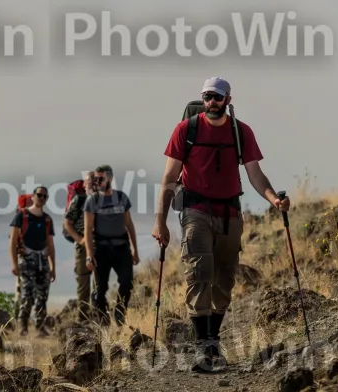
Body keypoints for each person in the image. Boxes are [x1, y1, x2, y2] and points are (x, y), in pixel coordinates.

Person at [151, 77, 291, 372]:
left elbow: (255, 175)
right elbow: (168, 178)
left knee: (225, 280)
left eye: (217, 97)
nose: (211, 102)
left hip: (230, 213)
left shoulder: (241, 132)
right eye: (207, 97)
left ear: (228, 99)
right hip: (195, 211)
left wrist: (273, 200)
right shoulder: (185, 130)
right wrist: (160, 222)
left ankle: (213, 339)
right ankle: (203, 348)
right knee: (199, 273)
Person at [83, 165, 140, 328]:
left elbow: (129, 224)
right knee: (100, 289)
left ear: (109, 178)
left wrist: (135, 249)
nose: (97, 182)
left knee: (127, 282)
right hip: (101, 250)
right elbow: (87, 229)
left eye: (101, 178)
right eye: (95, 179)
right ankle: (103, 320)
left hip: (122, 248)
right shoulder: (92, 201)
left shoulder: (121, 198)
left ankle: (120, 312)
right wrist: (89, 254)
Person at [9, 186, 56, 337]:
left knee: (43, 294)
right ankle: (23, 326)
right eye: (39, 195)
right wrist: (14, 263)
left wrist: (53, 267)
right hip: (26, 259)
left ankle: (40, 326)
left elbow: (50, 244)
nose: (41, 198)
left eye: (44, 196)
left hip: (42, 259)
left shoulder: (47, 219)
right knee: (27, 294)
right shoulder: (22, 216)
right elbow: (12, 241)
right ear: (33, 197)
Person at [63, 171, 95, 323]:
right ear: (84, 184)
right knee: (83, 283)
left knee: (99, 283)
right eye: (90, 182)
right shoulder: (79, 199)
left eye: (95, 181)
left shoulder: (101, 199)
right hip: (82, 247)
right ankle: (82, 319)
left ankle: (97, 316)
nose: (93, 184)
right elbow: (67, 223)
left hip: (98, 246)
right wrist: (80, 239)